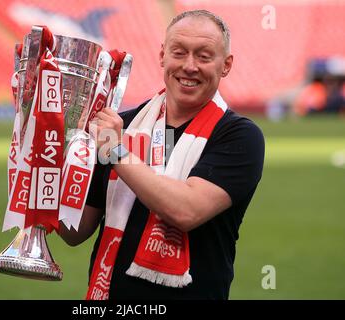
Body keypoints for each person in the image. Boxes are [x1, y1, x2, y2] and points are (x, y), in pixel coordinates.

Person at [58, 10, 265, 300]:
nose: (189, 66)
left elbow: (186, 210)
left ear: (226, 64)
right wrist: (49, 164)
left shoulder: (239, 135)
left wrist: (116, 150)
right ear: (162, 56)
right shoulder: (123, 125)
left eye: (204, 56)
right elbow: (74, 231)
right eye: (179, 53)